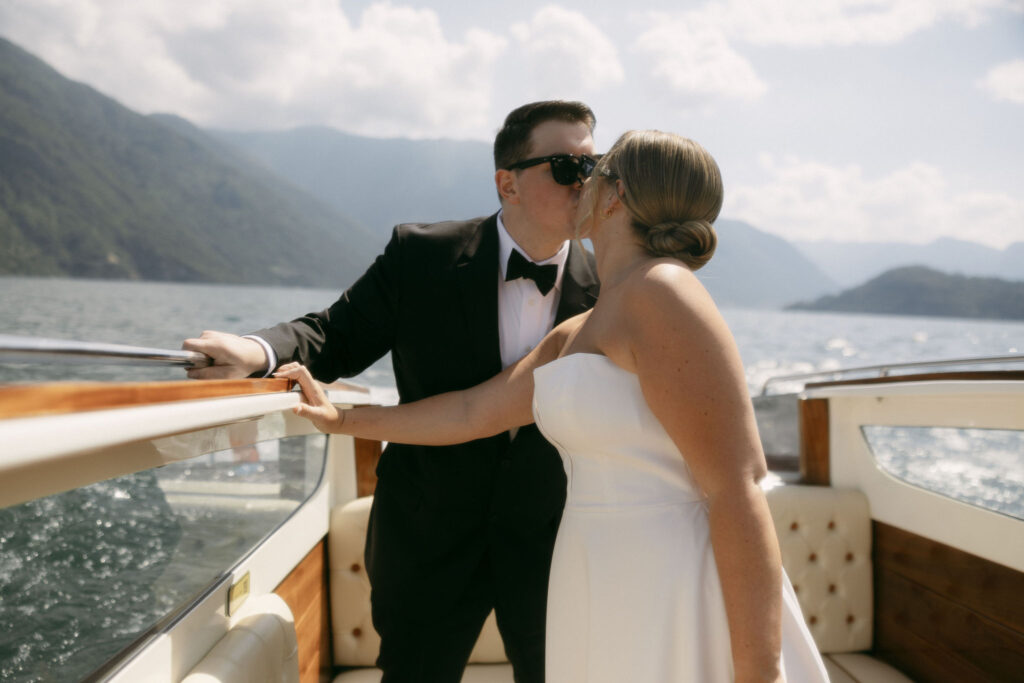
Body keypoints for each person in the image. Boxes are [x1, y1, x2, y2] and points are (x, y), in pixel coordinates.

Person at [276, 130, 831, 682]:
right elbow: (473, 413)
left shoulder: (665, 291)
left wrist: (760, 671)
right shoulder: (581, 329)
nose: (580, 184)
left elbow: (738, 487)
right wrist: (343, 419)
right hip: (590, 573)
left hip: (668, 578)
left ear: (613, 196)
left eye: (593, 172)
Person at [183, 101, 601, 682]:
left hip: (554, 540)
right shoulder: (421, 256)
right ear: (508, 183)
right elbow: (334, 335)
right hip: (428, 534)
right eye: (567, 166)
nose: (587, 182)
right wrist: (256, 353)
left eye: (594, 166)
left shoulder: (612, 288)